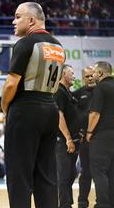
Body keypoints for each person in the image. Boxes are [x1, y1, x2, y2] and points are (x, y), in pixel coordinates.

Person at [1, 2, 65, 208]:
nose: (13, 20)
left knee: (19, 174)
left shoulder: (25, 43)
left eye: (18, 16)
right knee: (46, 174)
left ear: (31, 20)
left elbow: (11, 84)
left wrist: (5, 109)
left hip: (25, 109)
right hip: (50, 108)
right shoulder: (58, 46)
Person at [86, 61, 114, 208]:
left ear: (101, 73)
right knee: (112, 172)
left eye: (95, 72)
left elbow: (95, 113)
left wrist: (89, 132)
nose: (93, 75)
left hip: (102, 136)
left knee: (99, 172)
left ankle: (103, 205)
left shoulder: (100, 88)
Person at [54, 65, 80, 208]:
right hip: (62, 141)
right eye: (72, 73)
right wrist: (68, 139)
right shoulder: (58, 91)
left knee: (71, 173)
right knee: (63, 176)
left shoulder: (67, 92)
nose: (74, 76)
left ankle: (66, 202)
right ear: (64, 73)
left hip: (73, 140)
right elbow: (59, 116)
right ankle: (64, 205)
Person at [73, 66, 96, 208]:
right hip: (85, 140)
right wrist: (78, 133)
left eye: (92, 75)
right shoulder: (77, 94)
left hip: (100, 139)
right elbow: (71, 115)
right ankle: (82, 202)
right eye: (87, 76)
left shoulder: (103, 92)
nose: (90, 78)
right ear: (83, 78)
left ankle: (104, 202)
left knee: (102, 172)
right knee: (86, 171)